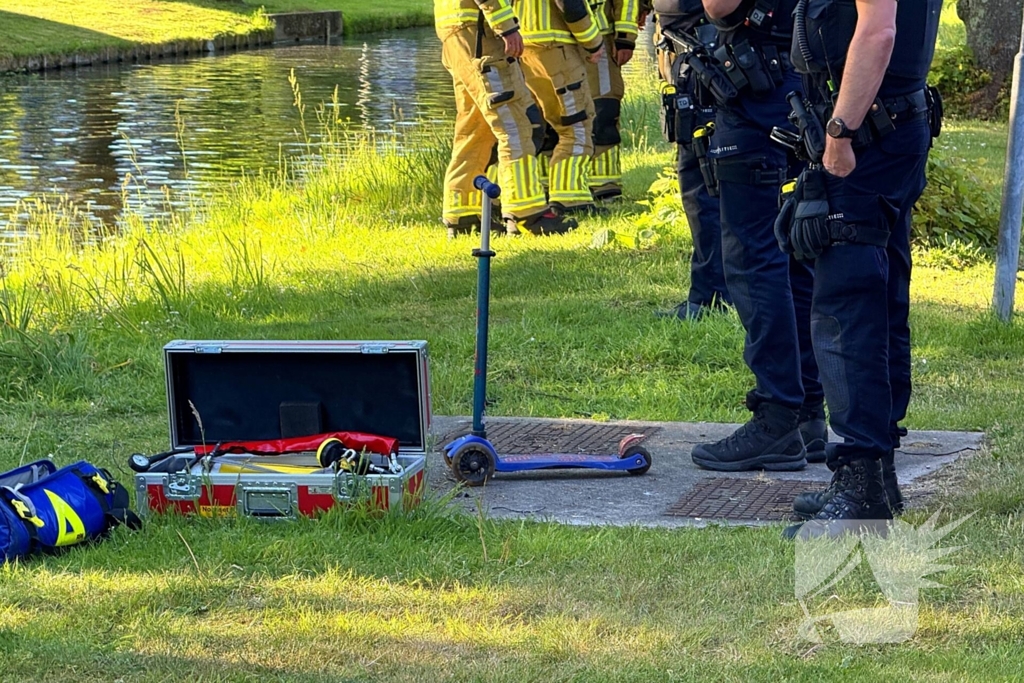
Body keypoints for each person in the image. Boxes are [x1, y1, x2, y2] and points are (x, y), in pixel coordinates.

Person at [781, 0, 943, 533]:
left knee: (847, 306)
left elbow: (877, 32)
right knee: (881, 297)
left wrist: (839, 132)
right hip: (890, 123)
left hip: (868, 132)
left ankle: (860, 486)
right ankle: (877, 474)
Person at [686, 0, 826, 470]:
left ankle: (777, 415)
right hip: (805, 80)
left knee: (753, 256)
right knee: (795, 252)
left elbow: (720, 5)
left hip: (757, 87)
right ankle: (807, 413)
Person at [435, 0, 577, 237]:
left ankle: (463, 213)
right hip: (481, 33)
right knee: (515, 124)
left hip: (456, 31)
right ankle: (527, 214)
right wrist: (506, 27)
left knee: (475, 127)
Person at [651, 0, 732, 320]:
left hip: (709, 68)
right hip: (697, 66)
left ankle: (711, 295)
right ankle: (715, 290)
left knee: (704, 190)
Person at [518, 0, 606, 215]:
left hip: (525, 44)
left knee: (545, 124)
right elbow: (570, 5)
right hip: (556, 43)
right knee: (576, 125)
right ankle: (570, 198)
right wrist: (593, 42)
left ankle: (543, 194)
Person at [583, 0, 641, 202]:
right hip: (549, 44)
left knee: (604, 110)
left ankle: (604, 183)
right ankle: (551, 184)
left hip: (600, 39)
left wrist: (624, 38)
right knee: (553, 115)